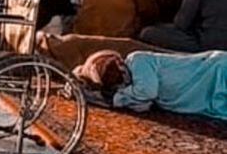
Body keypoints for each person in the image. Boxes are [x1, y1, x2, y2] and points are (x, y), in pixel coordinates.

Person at [75, 48, 227, 120]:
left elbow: (147, 91)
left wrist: (115, 98)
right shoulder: (132, 91)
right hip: (204, 92)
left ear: (120, 62)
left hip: (213, 71)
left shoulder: (137, 60)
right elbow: (143, 104)